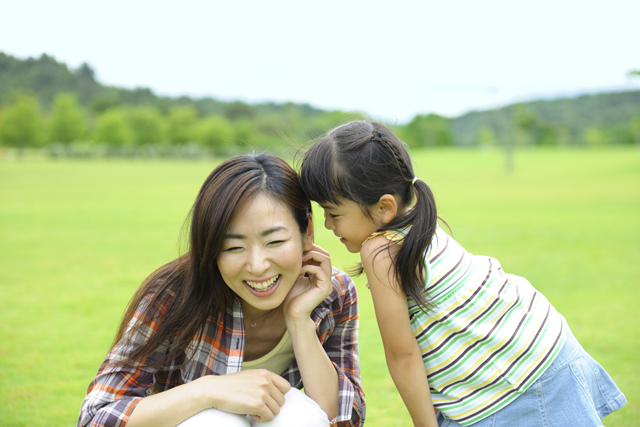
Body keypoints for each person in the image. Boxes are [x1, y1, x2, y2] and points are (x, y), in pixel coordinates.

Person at [298, 121, 626, 427]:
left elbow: (403, 355)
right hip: (544, 352)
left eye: (333, 212)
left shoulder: (381, 251)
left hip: (519, 383)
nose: (327, 224)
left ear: (385, 208)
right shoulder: (416, 224)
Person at [78, 153, 365, 427]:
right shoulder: (174, 294)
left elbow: (339, 419)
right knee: (214, 420)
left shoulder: (330, 292)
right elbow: (97, 416)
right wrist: (209, 392)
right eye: (233, 247)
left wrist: (299, 320)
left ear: (308, 232)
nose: (257, 266)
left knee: (296, 415)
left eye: (275, 242)